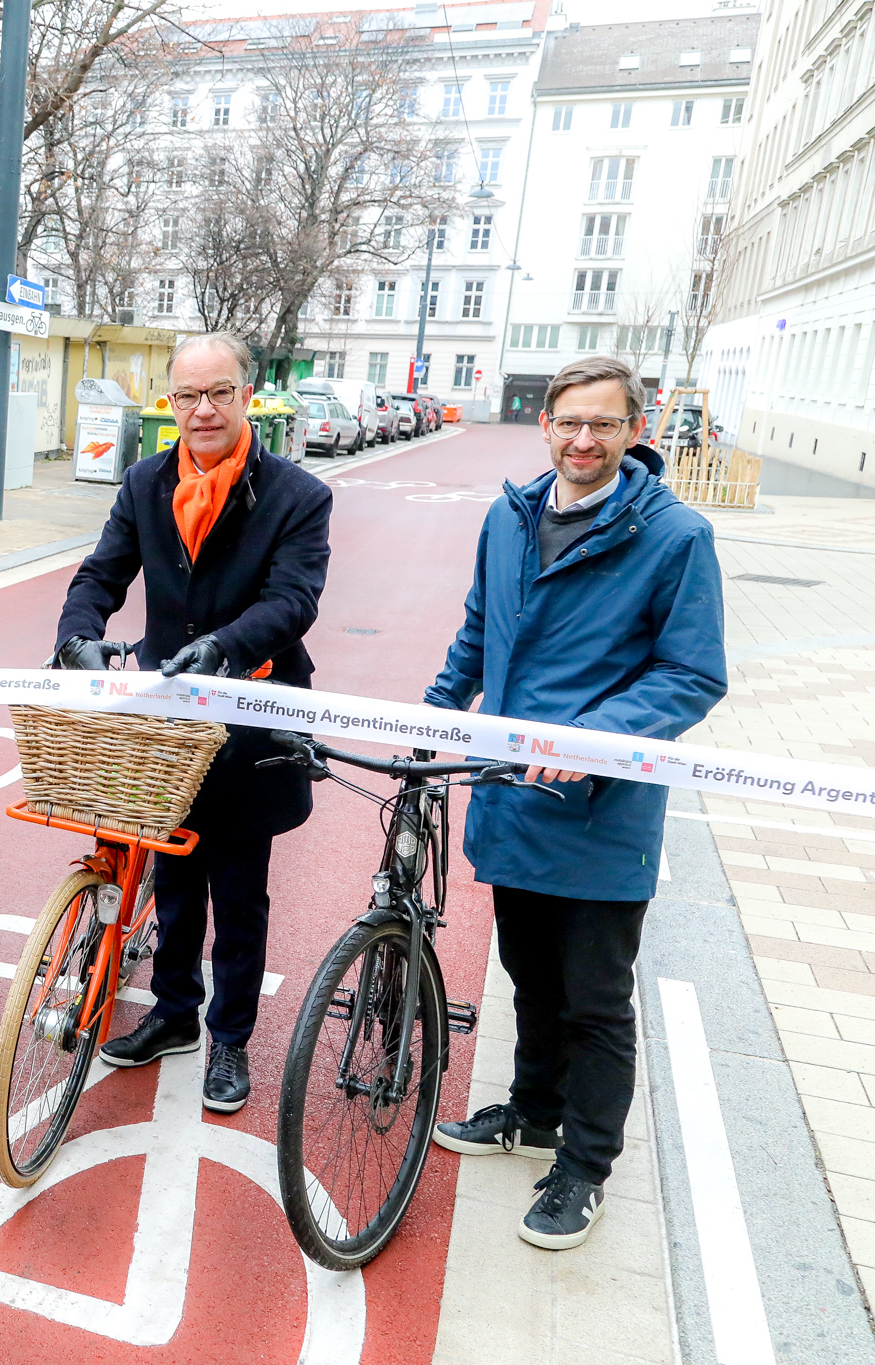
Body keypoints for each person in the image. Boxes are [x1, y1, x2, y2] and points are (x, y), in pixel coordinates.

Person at [427, 355, 725, 1251]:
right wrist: (432, 712)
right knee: (529, 976)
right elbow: (482, 627)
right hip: (512, 801)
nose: (584, 439)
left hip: (601, 815)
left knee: (595, 1000)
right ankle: (533, 1111)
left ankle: (586, 1165)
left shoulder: (675, 536)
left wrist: (589, 738)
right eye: (569, 422)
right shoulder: (510, 517)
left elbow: (691, 673)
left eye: (604, 423)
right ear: (547, 425)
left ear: (635, 428)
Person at [54, 332, 332, 1112]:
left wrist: (222, 647)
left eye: (218, 393)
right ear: (168, 403)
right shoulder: (144, 482)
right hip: (166, 716)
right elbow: (101, 572)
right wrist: (77, 634)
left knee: (239, 893)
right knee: (171, 876)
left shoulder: (297, 496)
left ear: (248, 396)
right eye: (187, 396)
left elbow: (292, 601)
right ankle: (174, 1014)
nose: (202, 410)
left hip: (251, 715)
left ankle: (230, 1040)